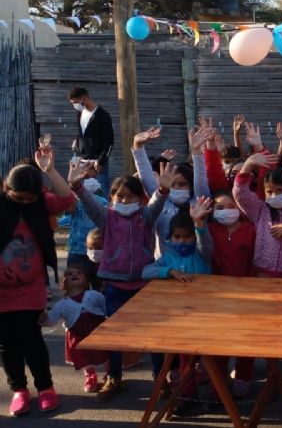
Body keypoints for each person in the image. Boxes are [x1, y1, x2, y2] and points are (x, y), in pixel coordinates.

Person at [69, 161, 177, 402]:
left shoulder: (145, 217)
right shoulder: (107, 218)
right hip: (115, 287)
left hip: (143, 286)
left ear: (140, 199)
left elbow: (157, 204)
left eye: (131, 197)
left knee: (152, 336)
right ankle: (114, 378)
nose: (125, 201)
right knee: (115, 336)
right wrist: (77, 187)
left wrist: (163, 190)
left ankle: (161, 379)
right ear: (112, 198)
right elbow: (89, 204)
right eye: (120, 196)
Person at [1, 150, 75, 416]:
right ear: (5, 188)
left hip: (30, 288)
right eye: (18, 198)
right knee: (7, 343)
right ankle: (19, 389)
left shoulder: (41, 205)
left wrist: (51, 171)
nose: (24, 203)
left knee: (30, 338)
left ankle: (45, 388)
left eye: (30, 199)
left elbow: (67, 198)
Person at [142, 203, 213, 415]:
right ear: (170, 238)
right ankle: (187, 396)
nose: (182, 241)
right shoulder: (168, 258)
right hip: (177, 318)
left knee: (206, 358)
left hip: (204, 314)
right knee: (183, 358)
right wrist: (169, 271)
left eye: (187, 237)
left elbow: (205, 243)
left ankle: (211, 393)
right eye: (177, 237)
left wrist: (199, 225)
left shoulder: (202, 255)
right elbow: (146, 271)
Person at [132, 125, 212, 256]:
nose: (177, 188)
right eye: (173, 185)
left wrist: (196, 151)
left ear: (191, 186)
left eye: (182, 184)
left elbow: (201, 180)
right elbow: (145, 176)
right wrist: (138, 145)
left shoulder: (199, 202)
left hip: (196, 266)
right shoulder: (161, 202)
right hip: (165, 267)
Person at [208, 190, 257, 397]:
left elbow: (256, 259)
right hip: (218, 296)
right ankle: (218, 381)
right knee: (218, 340)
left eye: (231, 206)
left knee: (246, 339)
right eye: (220, 207)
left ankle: (243, 378)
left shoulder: (250, 230)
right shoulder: (210, 229)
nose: (226, 211)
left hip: (247, 295)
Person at [234, 153, 282, 278]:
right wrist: (247, 166)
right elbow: (240, 194)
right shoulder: (260, 210)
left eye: (280, 190)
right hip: (262, 273)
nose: (274, 195)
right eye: (269, 191)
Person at [40, 265, 108, 394]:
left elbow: (105, 308)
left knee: (104, 353)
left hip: (97, 331)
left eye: (79, 273)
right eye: (69, 274)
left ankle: (111, 374)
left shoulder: (94, 295)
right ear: (64, 283)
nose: (74, 275)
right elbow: (52, 320)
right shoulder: (62, 304)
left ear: (87, 281)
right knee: (84, 357)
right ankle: (90, 376)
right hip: (77, 335)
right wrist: (44, 318)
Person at [64, 166, 107, 290]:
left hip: (78, 250)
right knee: (98, 285)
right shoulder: (103, 202)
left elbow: (66, 211)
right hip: (96, 249)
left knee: (75, 286)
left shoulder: (75, 202)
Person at [69, 87, 114, 196]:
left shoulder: (103, 116)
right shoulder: (80, 113)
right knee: (77, 189)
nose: (75, 106)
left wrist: (101, 160)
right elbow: (82, 132)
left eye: (76, 102)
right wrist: (77, 143)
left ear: (84, 99)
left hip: (96, 161)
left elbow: (109, 141)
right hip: (79, 157)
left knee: (102, 190)